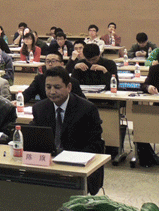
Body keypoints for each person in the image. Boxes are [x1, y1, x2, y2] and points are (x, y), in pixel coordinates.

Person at [31, 66, 104, 195]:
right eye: (48, 87)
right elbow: (36, 138)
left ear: (69, 87)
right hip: (48, 164)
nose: (52, 92)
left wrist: (69, 159)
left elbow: (95, 145)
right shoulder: (39, 108)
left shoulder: (87, 109)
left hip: (77, 166)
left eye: (57, 87)